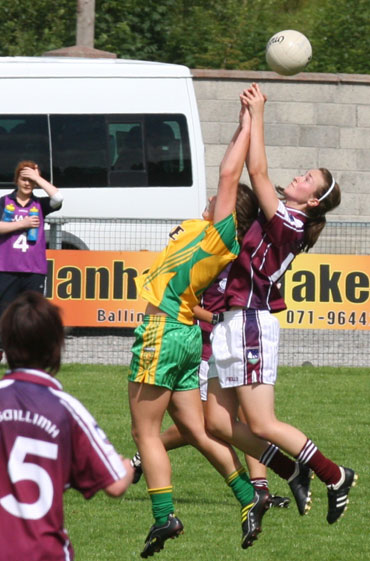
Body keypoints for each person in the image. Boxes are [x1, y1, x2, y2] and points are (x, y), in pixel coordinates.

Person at [205, 82, 357, 525]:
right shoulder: (286, 216)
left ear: (312, 201)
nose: (300, 177)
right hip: (231, 320)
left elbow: (257, 172)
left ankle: (335, 475)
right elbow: (241, 175)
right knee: (215, 424)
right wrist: (245, 123)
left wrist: (259, 114)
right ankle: (291, 469)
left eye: (308, 179)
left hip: (251, 322)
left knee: (263, 424)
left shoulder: (292, 220)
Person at [128, 99, 270, 559]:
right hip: (186, 335)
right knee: (194, 429)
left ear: (232, 216)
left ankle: (163, 516)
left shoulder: (220, 236)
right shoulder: (201, 227)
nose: (212, 197)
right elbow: (225, 176)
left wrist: (253, 119)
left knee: (144, 433)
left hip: (163, 331)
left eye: (220, 200)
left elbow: (231, 176)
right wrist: (239, 125)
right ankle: (250, 498)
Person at [0, 291, 134, 561]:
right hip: (42, 552)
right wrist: (128, 467)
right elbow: (116, 485)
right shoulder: (67, 410)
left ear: (7, 342)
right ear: (55, 348)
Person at [130, 186, 290, 509]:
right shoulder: (209, 240)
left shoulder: (232, 250)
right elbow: (194, 301)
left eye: (221, 197)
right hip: (199, 339)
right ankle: (257, 487)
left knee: (219, 421)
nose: (212, 198)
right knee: (205, 425)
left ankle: (258, 488)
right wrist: (217, 318)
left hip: (197, 338)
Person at [0, 160, 63, 370]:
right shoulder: (5, 200)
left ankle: (26, 360)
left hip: (33, 269)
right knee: (2, 312)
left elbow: (58, 198)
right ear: (16, 179)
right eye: (24, 178)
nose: (27, 183)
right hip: (6, 267)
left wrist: (38, 178)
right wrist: (23, 224)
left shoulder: (39, 204)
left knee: (31, 316)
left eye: (31, 180)